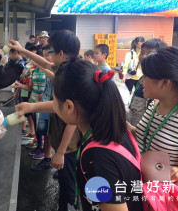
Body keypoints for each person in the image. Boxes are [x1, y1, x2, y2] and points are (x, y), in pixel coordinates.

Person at [52, 60, 143, 211]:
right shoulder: (116, 130)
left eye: (54, 100)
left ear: (69, 106)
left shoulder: (96, 159)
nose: (53, 104)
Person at [9, 30, 81, 211]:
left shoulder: (72, 76)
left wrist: (61, 152)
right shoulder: (68, 68)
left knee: (69, 184)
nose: (48, 55)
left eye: (51, 51)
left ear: (61, 54)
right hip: (65, 140)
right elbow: (47, 64)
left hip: (70, 144)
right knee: (66, 179)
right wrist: (21, 50)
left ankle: (68, 206)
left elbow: (73, 119)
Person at [127, 46, 178, 199]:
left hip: (166, 200)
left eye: (145, 76)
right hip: (142, 192)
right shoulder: (154, 105)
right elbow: (142, 136)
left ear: (164, 83)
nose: (141, 81)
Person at [128, 39, 168, 126]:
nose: (143, 56)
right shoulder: (142, 78)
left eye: (149, 53)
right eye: (142, 52)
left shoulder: (157, 83)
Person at [31, 44, 54, 170]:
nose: (45, 58)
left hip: (51, 107)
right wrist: (44, 94)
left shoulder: (58, 71)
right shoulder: (50, 71)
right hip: (45, 103)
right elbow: (48, 84)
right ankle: (47, 157)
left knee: (50, 133)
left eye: (47, 55)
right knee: (45, 131)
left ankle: (49, 158)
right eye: (44, 55)